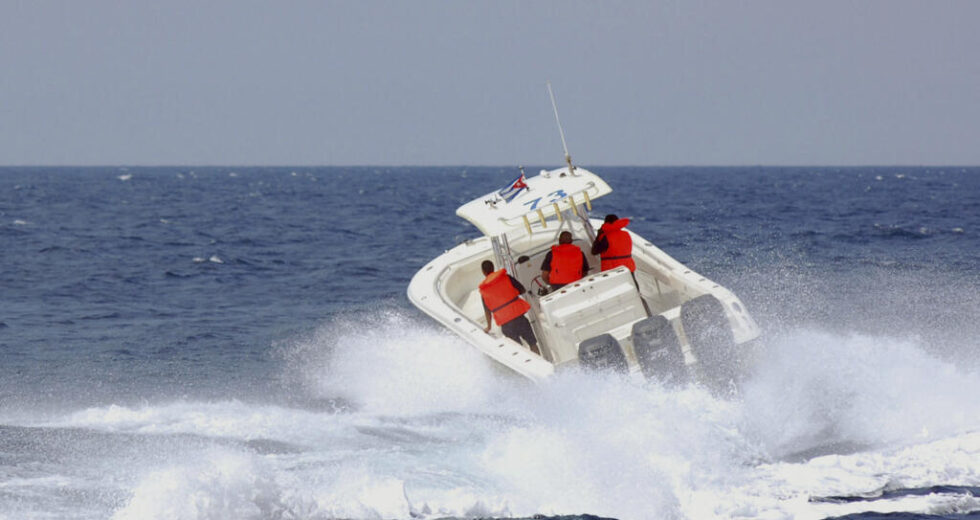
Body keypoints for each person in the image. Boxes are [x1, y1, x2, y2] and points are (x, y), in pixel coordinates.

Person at [478, 260, 540, 355]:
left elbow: (487, 310)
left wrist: (489, 327)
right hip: (519, 318)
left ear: (483, 272)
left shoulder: (484, 289)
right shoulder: (506, 277)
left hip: (506, 324)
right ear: (493, 268)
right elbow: (522, 290)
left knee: (518, 351)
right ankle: (539, 361)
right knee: (532, 344)